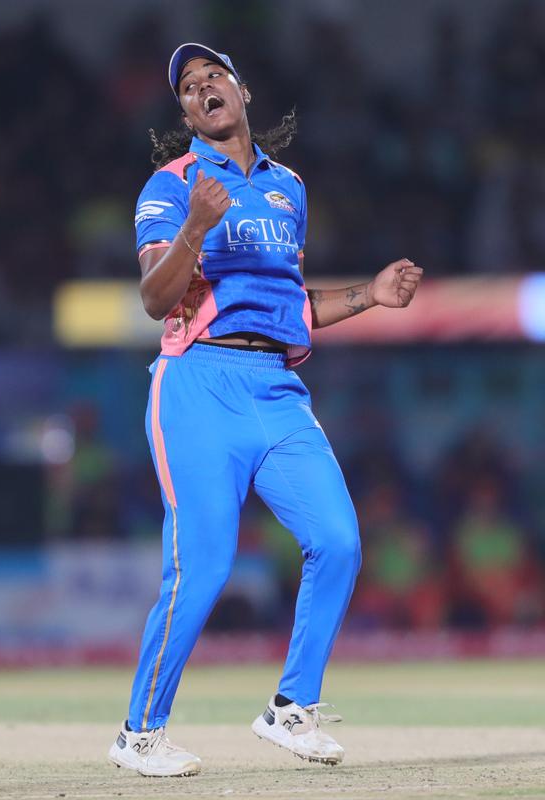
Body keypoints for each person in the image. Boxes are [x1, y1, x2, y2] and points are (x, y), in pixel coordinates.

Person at [107, 43, 423, 777]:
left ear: (242, 91)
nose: (201, 88)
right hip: (198, 385)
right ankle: (139, 734)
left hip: (275, 387)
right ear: (184, 112)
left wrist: (370, 296)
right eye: (187, 87)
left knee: (338, 541)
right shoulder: (171, 183)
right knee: (204, 565)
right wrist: (193, 226)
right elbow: (155, 298)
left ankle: (291, 709)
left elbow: (291, 307)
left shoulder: (290, 189)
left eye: (212, 75)